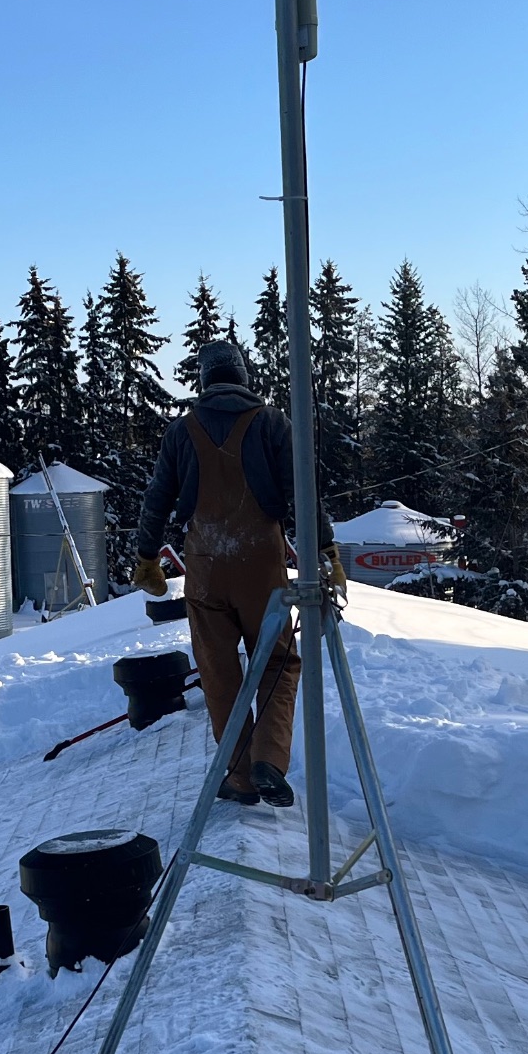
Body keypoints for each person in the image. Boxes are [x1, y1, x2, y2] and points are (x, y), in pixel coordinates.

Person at [131, 336, 335, 807]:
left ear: (204, 380)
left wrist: (146, 556)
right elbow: (302, 490)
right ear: (242, 375)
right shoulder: (271, 424)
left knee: (220, 675)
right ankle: (268, 760)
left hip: (205, 568)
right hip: (260, 569)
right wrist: (326, 549)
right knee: (278, 665)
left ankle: (239, 777)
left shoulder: (182, 432)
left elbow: (157, 498)